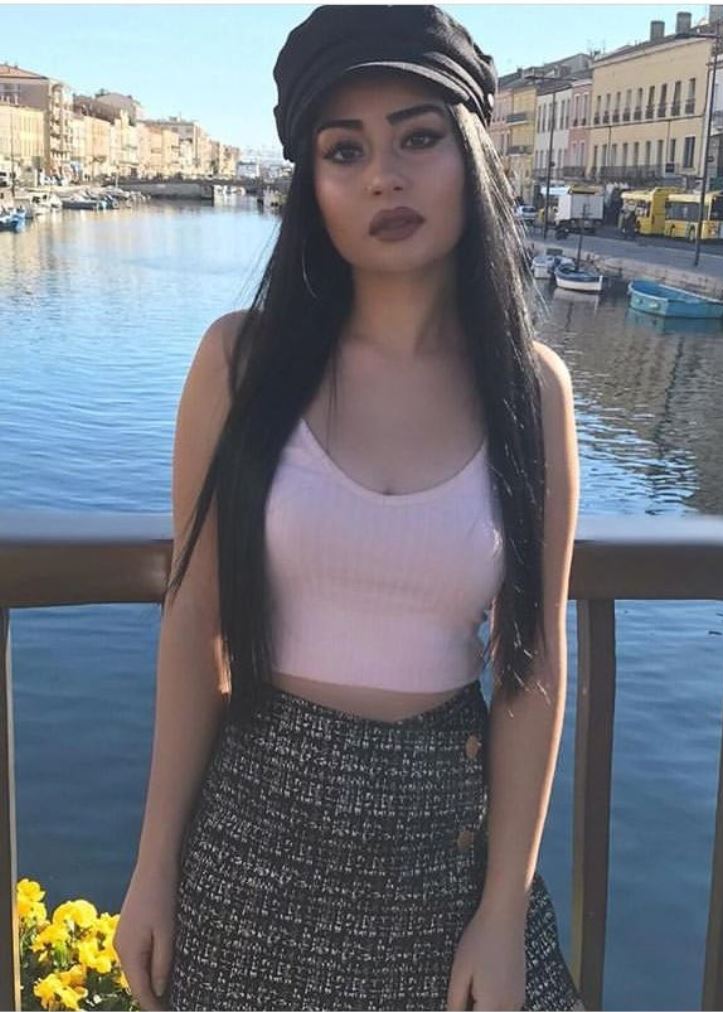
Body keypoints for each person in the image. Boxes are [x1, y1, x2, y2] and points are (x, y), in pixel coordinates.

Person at [114, 6, 583, 1011]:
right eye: (345, 150)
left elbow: (532, 662)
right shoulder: (238, 363)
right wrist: (153, 866)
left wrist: (502, 909)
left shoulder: (530, 390)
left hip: (443, 854)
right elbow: (193, 622)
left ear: (471, 155)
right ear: (312, 186)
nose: (384, 177)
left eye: (418, 138)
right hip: (253, 845)